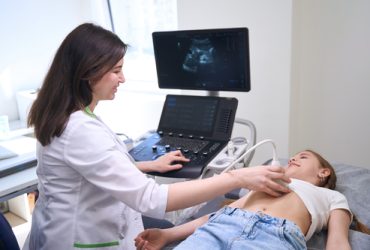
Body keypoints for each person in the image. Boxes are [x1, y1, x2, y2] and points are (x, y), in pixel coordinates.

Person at [23, 23, 291, 250]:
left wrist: (146, 165)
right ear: (88, 72)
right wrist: (238, 177)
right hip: (81, 238)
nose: (123, 78)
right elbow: (149, 199)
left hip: (66, 222)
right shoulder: (79, 129)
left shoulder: (73, 113)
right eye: (116, 70)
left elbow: (89, 168)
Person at [134, 150, 367, 250]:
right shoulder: (266, 181)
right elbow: (214, 217)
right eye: (292, 157)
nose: (293, 159)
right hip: (220, 227)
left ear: (323, 172)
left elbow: (337, 241)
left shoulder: (332, 197)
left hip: (273, 236)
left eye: (303, 157)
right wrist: (167, 235)